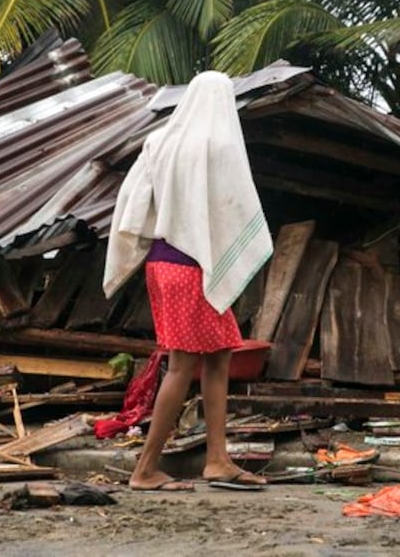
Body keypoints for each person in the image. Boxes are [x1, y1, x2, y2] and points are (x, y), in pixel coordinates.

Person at [102, 70, 274, 491]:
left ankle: (217, 459)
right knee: (182, 365)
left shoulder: (160, 142)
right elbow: (233, 208)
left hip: (162, 264)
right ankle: (145, 470)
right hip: (194, 266)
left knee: (218, 358)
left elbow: (134, 202)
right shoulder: (219, 145)